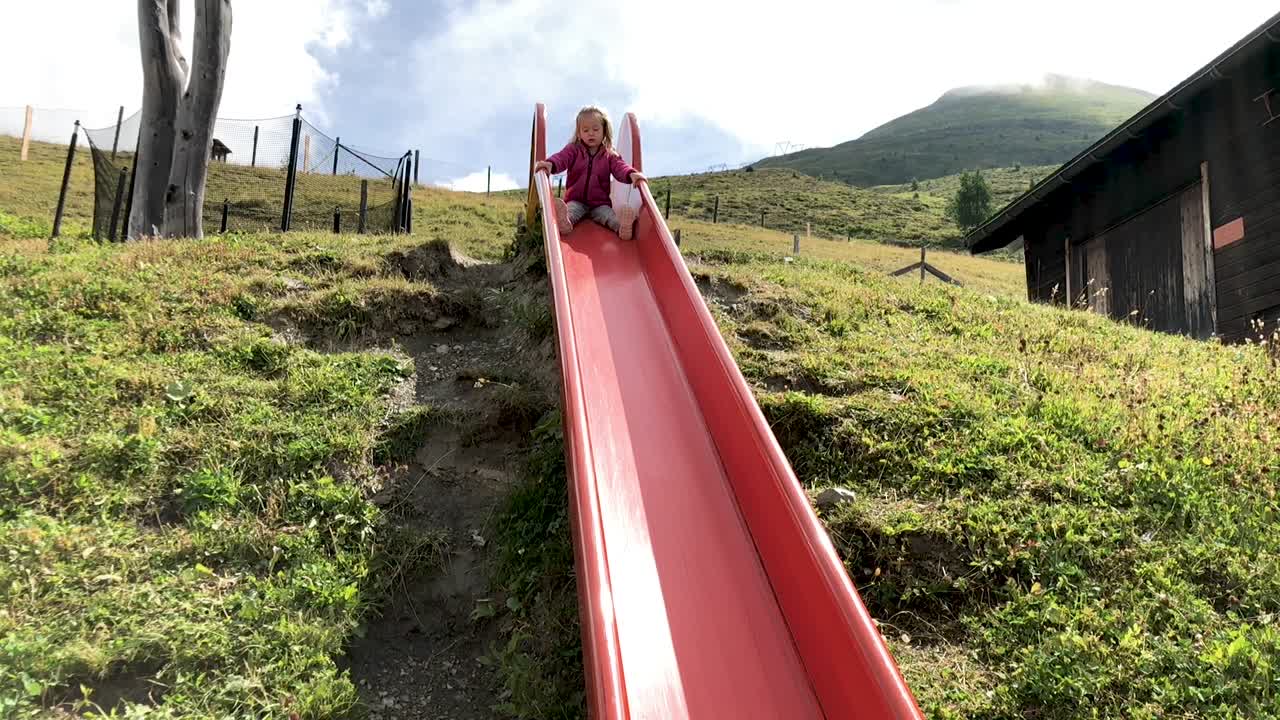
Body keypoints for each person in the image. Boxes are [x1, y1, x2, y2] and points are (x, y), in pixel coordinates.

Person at [534, 106, 645, 240]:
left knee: (608, 217)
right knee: (571, 211)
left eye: (595, 129)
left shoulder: (609, 154)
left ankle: (622, 227)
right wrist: (550, 164)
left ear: (604, 131)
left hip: (599, 203)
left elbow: (620, 168)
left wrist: (631, 174)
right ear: (579, 133)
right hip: (576, 199)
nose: (590, 133)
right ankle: (564, 223)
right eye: (585, 130)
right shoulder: (573, 150)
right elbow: (561, 158)